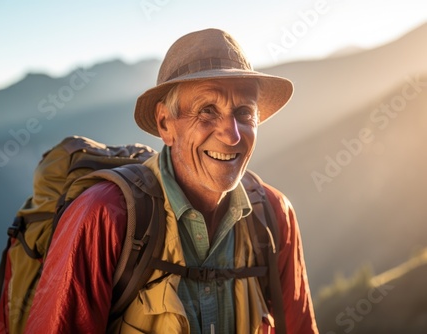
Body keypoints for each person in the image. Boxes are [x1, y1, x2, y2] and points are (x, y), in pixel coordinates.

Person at [25, 28, 319, 333]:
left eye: (244, 112)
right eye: (207, 111)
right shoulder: (104, 215)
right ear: (166, 124)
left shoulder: (274, 215)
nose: (232, 135)